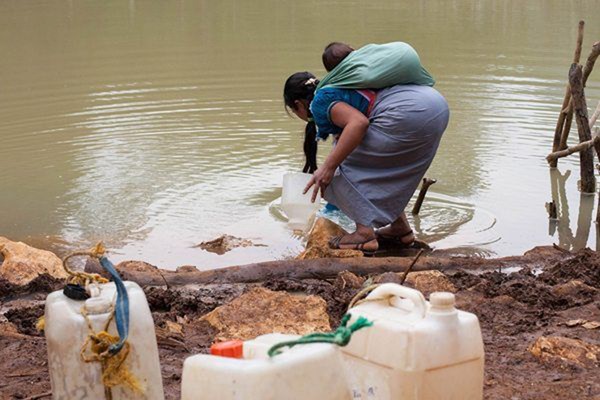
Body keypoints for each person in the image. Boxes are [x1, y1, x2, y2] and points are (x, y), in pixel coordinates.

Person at [283, 71, 449, 253]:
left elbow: (359, 123)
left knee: (337, 169)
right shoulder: (338, 89)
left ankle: (364, 234)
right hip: (434, 105)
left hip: (409, 113)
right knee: (380, 168)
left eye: (293, 110)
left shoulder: (320, 104)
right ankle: (400, 229)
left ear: (298, 104)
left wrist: (327, 168)